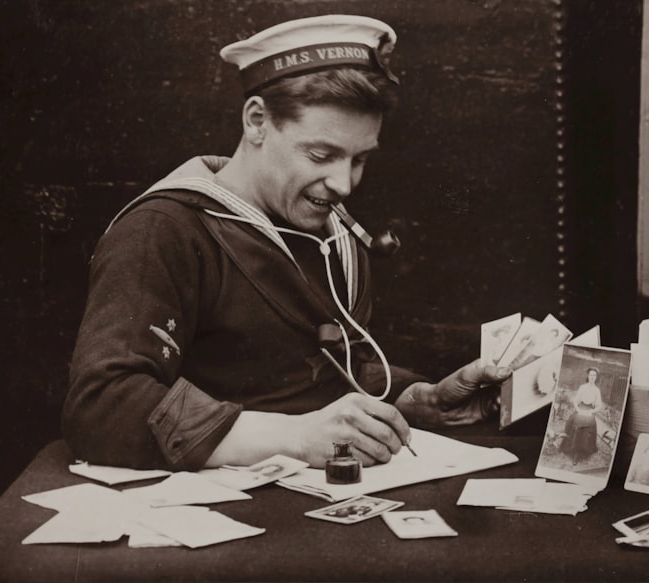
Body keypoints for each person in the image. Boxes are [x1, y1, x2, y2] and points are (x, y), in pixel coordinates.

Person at [61, 15, 511, 472]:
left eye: (359, 160)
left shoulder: (332, 232)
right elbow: (101, 407)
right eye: (321, 155)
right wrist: (294, 437)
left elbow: (323, 373)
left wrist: (415, 402)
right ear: (257, 121)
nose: (343, 184)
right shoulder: (163, 230)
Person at [559, 367, 603, 464]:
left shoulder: (597, 390)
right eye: (591, 375)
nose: (592, 377)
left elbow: (599, 405)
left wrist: (592, 411)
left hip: (589, 411)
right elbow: (575, 401)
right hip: (580, 409)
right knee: (576, 423)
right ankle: (573, 450)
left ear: (596, 377)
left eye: (594, 375)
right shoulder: (583, 387)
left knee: (588, 426)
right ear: (588, 376)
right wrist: (578, 409)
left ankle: (580, 452)